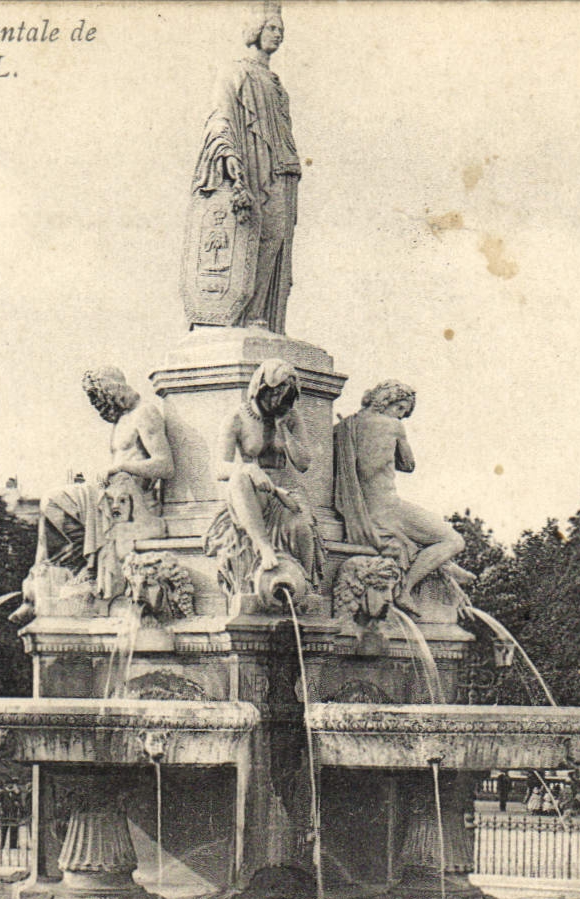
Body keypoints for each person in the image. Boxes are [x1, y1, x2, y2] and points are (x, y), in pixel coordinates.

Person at [184, 4, 299, 333]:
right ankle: (242, 316)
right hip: (251, 167)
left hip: (279, 171)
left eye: (281, 30)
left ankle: (258, 314)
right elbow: (219, 116)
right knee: (252, 236)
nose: (278, 35)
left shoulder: (277, 84)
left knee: (276, 238)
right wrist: (230, 158)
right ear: (256, 30)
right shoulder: (235, 72)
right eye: (272, 28)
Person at [333, 380, 474, 614]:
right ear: (390, 401)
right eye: (401, 409)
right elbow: (408, 465)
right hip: (388, 509)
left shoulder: (345, 428)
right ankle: (406, 588)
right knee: (453, 541)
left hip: (362, 511)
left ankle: (444, 566)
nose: (401, 416)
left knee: (425, 538)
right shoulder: (393, 426)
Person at [36, 367, 175, 596]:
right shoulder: (122, 420)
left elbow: (165, 466)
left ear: (111, 390)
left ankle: (84, 570)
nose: (95, 405)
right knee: (52, 504)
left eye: (97, 397)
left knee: (53, 500)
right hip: (111, 491)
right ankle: (56, 573)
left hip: (131, 499)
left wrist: (121, 467)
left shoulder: (144, 413)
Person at [206, 358, 323, 599]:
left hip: (284, 486)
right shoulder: (237, 418)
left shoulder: (290, 417)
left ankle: (306, 585)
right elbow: (219, 467)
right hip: (253, 490)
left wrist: (283, 430)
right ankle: (264, 546)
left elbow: (303, 463)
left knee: (302, 528)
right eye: (274, 394)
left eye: (284, 396)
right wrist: (248, 469)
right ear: (260, 389)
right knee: (238, 479)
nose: (277, 402)